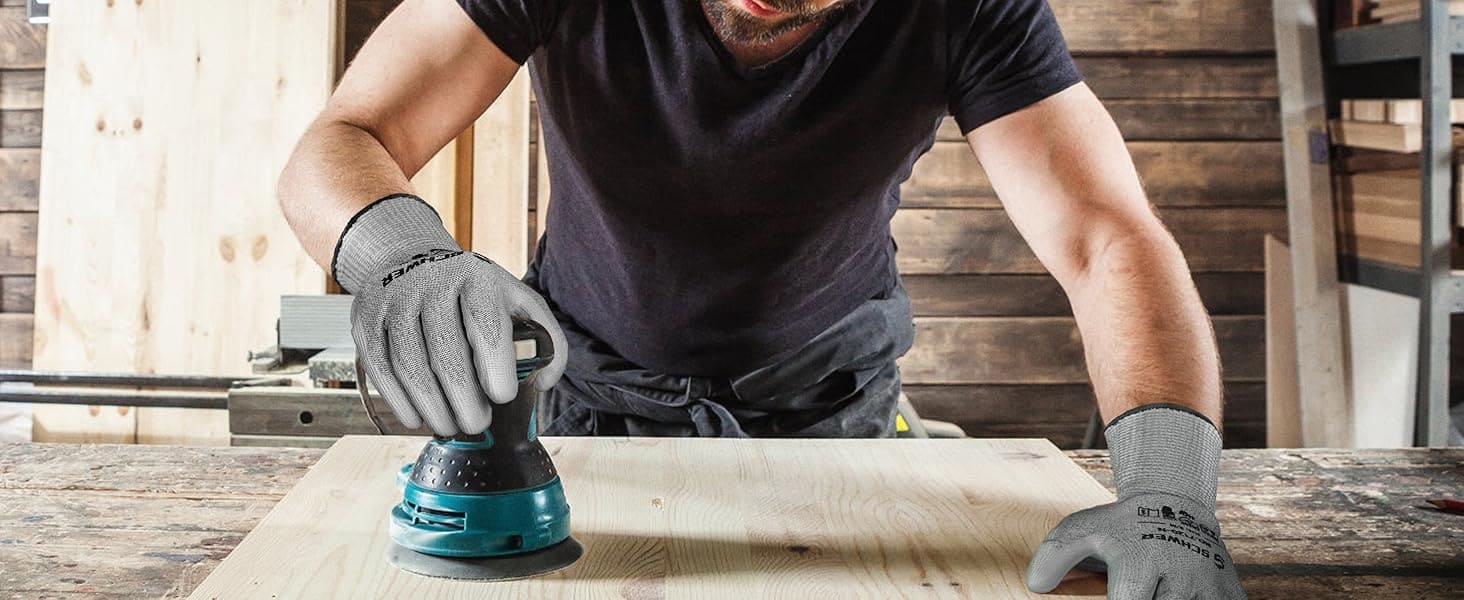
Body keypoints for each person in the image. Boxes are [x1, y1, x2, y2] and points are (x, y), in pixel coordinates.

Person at [278, 0, 1248, 597]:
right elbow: (349, 133)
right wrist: (402, 260)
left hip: (838, 423)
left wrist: (1169, 492)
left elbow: (1105, 234)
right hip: (586, 416)